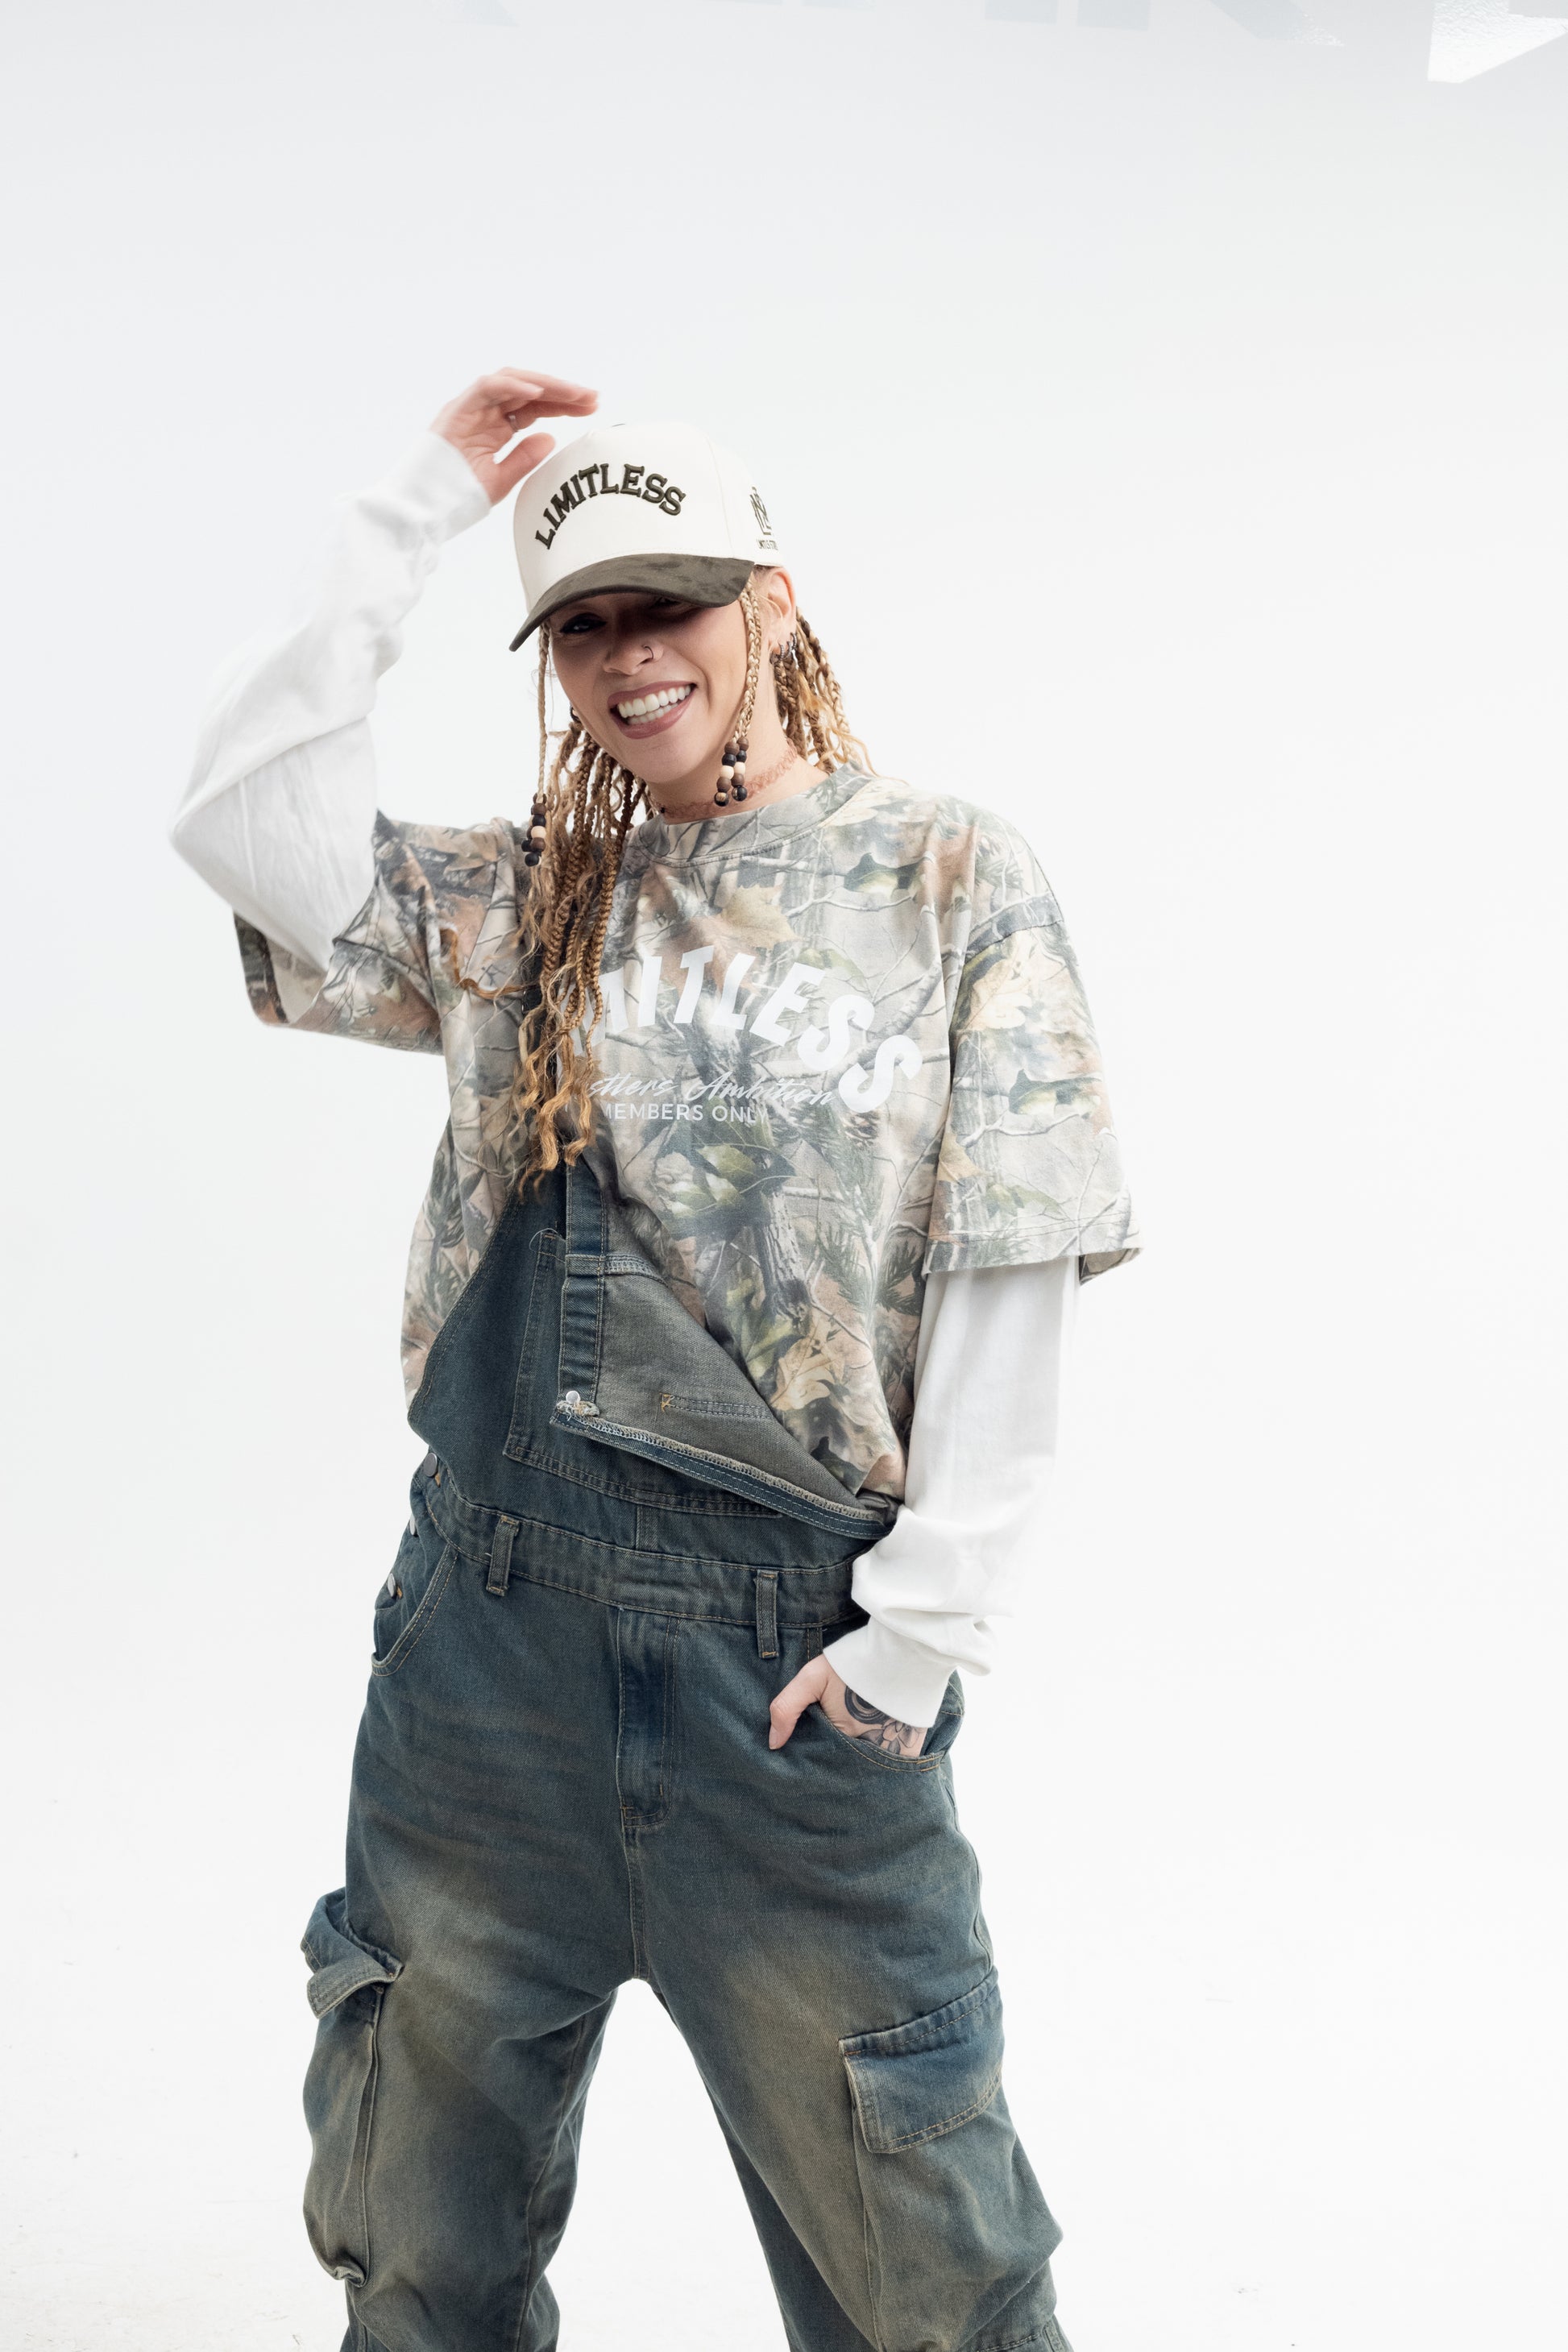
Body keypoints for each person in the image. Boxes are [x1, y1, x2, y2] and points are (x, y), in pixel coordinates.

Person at [173, 367, 1138, 2352]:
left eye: (670, 603)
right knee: (419, 2244)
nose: (632, 656)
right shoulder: (523, 897)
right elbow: (242, 824)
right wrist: (414, 511)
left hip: (790, 1679)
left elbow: (1012, 1249)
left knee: (935, 2276)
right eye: (586, 623)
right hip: (485, 1654)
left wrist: (916, 1637)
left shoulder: (946, 876)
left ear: (770, 600)